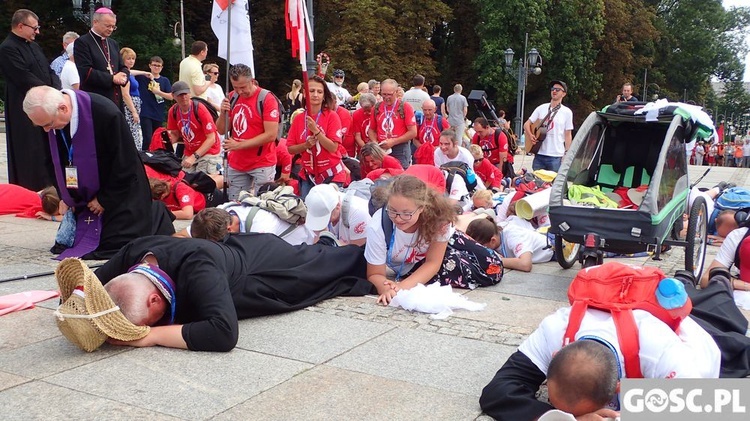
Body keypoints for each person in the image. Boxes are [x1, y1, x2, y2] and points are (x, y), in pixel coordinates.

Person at [479, 268, 750, 420]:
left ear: (620, 389)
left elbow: (720, 404)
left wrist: (628, 413)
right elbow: (497, 391)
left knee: (723, 311)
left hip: (695, 331)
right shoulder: (555, 328)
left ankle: (717, 279)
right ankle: (685, 279)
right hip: (621, 313)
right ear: (555, 354)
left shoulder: (664, 354)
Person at [53, 233, 376, 352]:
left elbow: (223, 334)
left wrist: (149, 336)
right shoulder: (138, 251)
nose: (152, 323)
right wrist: (83, 308)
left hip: (269, 270)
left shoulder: (198, 270)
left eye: (151, 318)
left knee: (336, 264)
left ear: (155, 299)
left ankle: (364, 245)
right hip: (234, 256)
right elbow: (91, 285)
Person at [23, 86, 153, 260]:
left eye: (48, 124)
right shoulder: (49, 119)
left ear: (63, 108)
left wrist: (104, 198)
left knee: (113, 244)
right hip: (82, 192)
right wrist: (66, 195)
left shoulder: (105, 112)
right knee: (66, 244)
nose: (47, 130)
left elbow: (125, 161)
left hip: (119, 189)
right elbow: (51, 161)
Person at [364, 175, 503, 304]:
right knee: (455, 266)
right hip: (415, 263)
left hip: (446, 243)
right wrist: (388, 289)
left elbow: (433, 261)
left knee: (492, 264)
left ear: (422, 208)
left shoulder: (438, 218)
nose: (398, 218)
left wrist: (400, 288)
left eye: (407, 213)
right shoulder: (378, 226)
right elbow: (375, 273)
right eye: (392, 211)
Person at [0, 9, 61, 191]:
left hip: (47, 101)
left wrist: (56, 89)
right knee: (29, 147)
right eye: (34, 28)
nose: (38, 31)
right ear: (20, 26)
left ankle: (50, 184)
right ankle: (31, 187)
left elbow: (49, 70)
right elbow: (23, 77)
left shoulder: (34, 46)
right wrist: (49, 92)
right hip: (24, 106)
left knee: (46, 146)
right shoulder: (7, 48)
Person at [217, 64, 279, 200]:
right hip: (237, 162)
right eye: (235, 87)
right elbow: (221, 129)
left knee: (263, 203)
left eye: (243, 87)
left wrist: (239, 145)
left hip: (262, 162)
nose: (239, 91)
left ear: (252, 81)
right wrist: (223, 113)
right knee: (235, 203)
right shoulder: (232, 97)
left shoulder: (266, 99)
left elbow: (271, 135)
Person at [286, 75, 345, 198]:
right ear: (305, 93)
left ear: (324, 95)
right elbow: (290, 148)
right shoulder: (298, 119)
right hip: (309, 176)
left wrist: (316, 131)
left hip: (331, 175)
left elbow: (333, 148)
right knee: (308, 212)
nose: (315, 95)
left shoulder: (332, 116)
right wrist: (305, 145)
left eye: (319, 92)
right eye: (311, 91)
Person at [75, 8, 128, 109]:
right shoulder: (82, 42)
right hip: (96, 99)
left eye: (113, 26)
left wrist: (123, 76)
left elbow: (123, 67)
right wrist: (112, 78)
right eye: (108, 26)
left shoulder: (113, 43)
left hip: (116, 100)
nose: (111, 29)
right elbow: (86, 72)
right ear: (95, 22)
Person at [166, 81, 221, 175]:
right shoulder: (173, 111)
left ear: (190, 93)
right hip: (189, 151)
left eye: (185, 94)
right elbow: (175, 134)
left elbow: (211, 138)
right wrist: (165, 144)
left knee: (201, 182)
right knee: (183, 181)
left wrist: (194, 156)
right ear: (173, 96)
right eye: (180, 95)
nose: (184, 97)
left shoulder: (199, 109)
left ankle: (222, 180)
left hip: (209, 152)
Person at [466, 215, 553, 272]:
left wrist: (494, 260)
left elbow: (525, 264)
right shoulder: (494, 231)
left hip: (554, 248)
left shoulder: (514, 236)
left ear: (493, 241)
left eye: (482, 247)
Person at [524, 80, 574, 172]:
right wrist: (530, 135)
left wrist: (567, 153)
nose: (554, 91)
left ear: (564, 94)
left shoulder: (567, 112)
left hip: (556, 155)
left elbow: (568, 134)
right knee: (537, 183)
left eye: (558, 90)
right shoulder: (541, 108)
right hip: (539, 153)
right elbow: (527, 124)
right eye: (553, 89)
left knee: (553, 184)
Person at [368, 79, 418, 169]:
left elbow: (413, 132)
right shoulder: (376, 107)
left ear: (396, 92)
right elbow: (371, 130)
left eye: (389, 94)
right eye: (384, 94)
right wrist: (375, 143)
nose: (386, 97)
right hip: (381, 149)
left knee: (400, 178)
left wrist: (394, 141)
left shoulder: (405, 107)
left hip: (400, 149)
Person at [305, 183, 371, 247]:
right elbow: (318, 242)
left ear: (338, 206)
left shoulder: (358, 213)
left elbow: (357, 252)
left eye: (326, 218)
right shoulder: (320, 207)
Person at [136, 56, 172, 149]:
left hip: (158, 113)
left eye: (159, 66)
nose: (156, 67)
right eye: (154, 65)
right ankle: (145, 158)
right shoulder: (143, 78)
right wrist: (144, 73)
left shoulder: (164, 80)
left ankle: (155, 158)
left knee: (157, 138)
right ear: (150, 66)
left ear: (162, 67)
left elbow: (171, 96)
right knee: (147, 138)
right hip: (145, 112)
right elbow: (128, 73)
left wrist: (158, 92)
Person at [120, 47, 144, 150]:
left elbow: (132, 72)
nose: (131, 61)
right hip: (129, 107)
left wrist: (145, 73)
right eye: (128, 58)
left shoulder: (128, 72)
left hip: (135, 104)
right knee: (133, 133)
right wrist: (133, 111)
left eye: (133, 59)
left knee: (137, 132)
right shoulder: (123, 74)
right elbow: (125, 94)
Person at [414, 98, 449, 165]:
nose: (427, 112)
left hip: (437, 155)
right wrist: (423, 148)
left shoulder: (441, 121)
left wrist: (438, 147)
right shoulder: (419, 120)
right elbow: (415, 139)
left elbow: (449, 138)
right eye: (425, 110)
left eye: (430, 110)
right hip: (422, 156)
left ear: (435, 109)